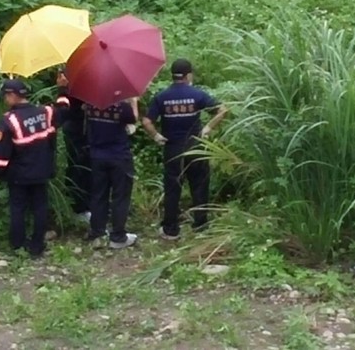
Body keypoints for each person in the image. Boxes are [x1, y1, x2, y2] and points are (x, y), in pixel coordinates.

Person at [142, 58, 228, 240]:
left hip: (173, 148)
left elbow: (147, 121)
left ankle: (171, 229)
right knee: (199, 186)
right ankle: (201, 225)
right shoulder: (197, 94)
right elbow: (222, 110)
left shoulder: (162, 97)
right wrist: (208, 128)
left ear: (172, 76)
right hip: (195, 147)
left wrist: (156, 136)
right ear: (188, 75)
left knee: (173, 188)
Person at [0, 78, 68, 258]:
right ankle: (37, 246)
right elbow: (63, 111)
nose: (5, 100)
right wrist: (63, 89)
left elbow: (1, 156)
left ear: (12, 96)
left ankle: (18, 246)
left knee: (18, 209)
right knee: (40, 208)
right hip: (42, 172)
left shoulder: (9, 122)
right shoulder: (46, 112)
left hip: (19, 176)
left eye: (6, 96)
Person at [85, 98, 139, 249]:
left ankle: (97, 232)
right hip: (119, 155)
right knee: (120, 196)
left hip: (97, 156)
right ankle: (118, 236)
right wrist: (134, 102)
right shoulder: (122, 106)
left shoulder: (90, 104)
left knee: (98, 194)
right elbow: (133, 120)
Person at [55, 70, 92, 222]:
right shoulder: (67, 73)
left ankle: (90, 203)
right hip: (75, 124)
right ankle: (78, 206)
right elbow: (63, 109)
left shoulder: (91, 68)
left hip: (91, 123)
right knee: (77, 165)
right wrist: (62, 89)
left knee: (89, 165)